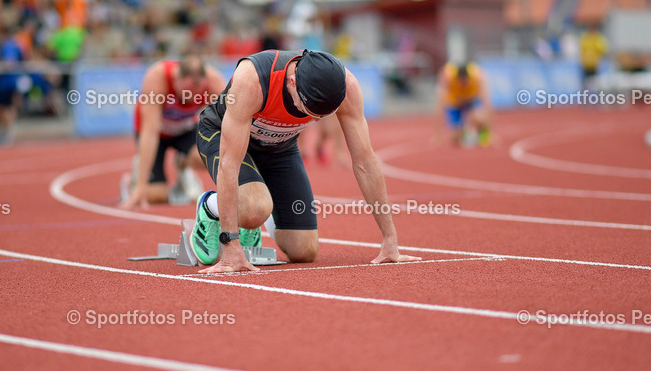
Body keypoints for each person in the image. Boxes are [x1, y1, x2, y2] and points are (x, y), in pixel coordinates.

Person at [189, 49, 422, 273]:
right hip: (222, 135)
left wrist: (390, 238)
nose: (313, 118)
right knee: (253, 209)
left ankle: (256, 208)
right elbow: (229, 163)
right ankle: (211, 206)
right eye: (310, 110)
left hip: (280, 146)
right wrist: (230, 244)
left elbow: (365, 162)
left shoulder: (347, 87)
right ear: (292, 82)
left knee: (304, 251)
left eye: (322, 116)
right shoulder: (253, 79)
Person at [121, 55, 226, 208]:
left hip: (184, 128)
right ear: (176, 78)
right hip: (156, 131)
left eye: (197, 94)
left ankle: (182, 165)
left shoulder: (215, 83)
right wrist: (141, 187)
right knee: (158, 194)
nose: (192, 99)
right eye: (187, 93)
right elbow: (150, 132)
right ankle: (132, 182)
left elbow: (230, 125)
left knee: (213, 155)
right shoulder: (157, 77)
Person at [435, 59, 493, 147]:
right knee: (454, 139)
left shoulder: (478, 76)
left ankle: (481, 133)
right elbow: (439, 107)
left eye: (465, 81)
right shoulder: (447, 78)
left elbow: (487, 104)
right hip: (455, 104)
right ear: (456, 79)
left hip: (470, 101)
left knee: (479, 117)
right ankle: (466, 133)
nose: (463, 84)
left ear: (468, 78)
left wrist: (492, 133)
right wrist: (437, 137)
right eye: (461, 82)